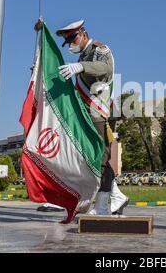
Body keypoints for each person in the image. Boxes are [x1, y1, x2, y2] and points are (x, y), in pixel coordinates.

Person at [56, 20, 129, 216]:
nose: (71, 43)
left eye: (72, 38)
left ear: (83, 34)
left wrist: (80, 66)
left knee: (101, 155)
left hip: (101, 110)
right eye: (68, 41)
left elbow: (105, 68)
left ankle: (103, 204)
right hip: (90, 111)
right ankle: (116, 195)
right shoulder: (83, 56)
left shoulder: (99, 49)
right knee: (92, 155)